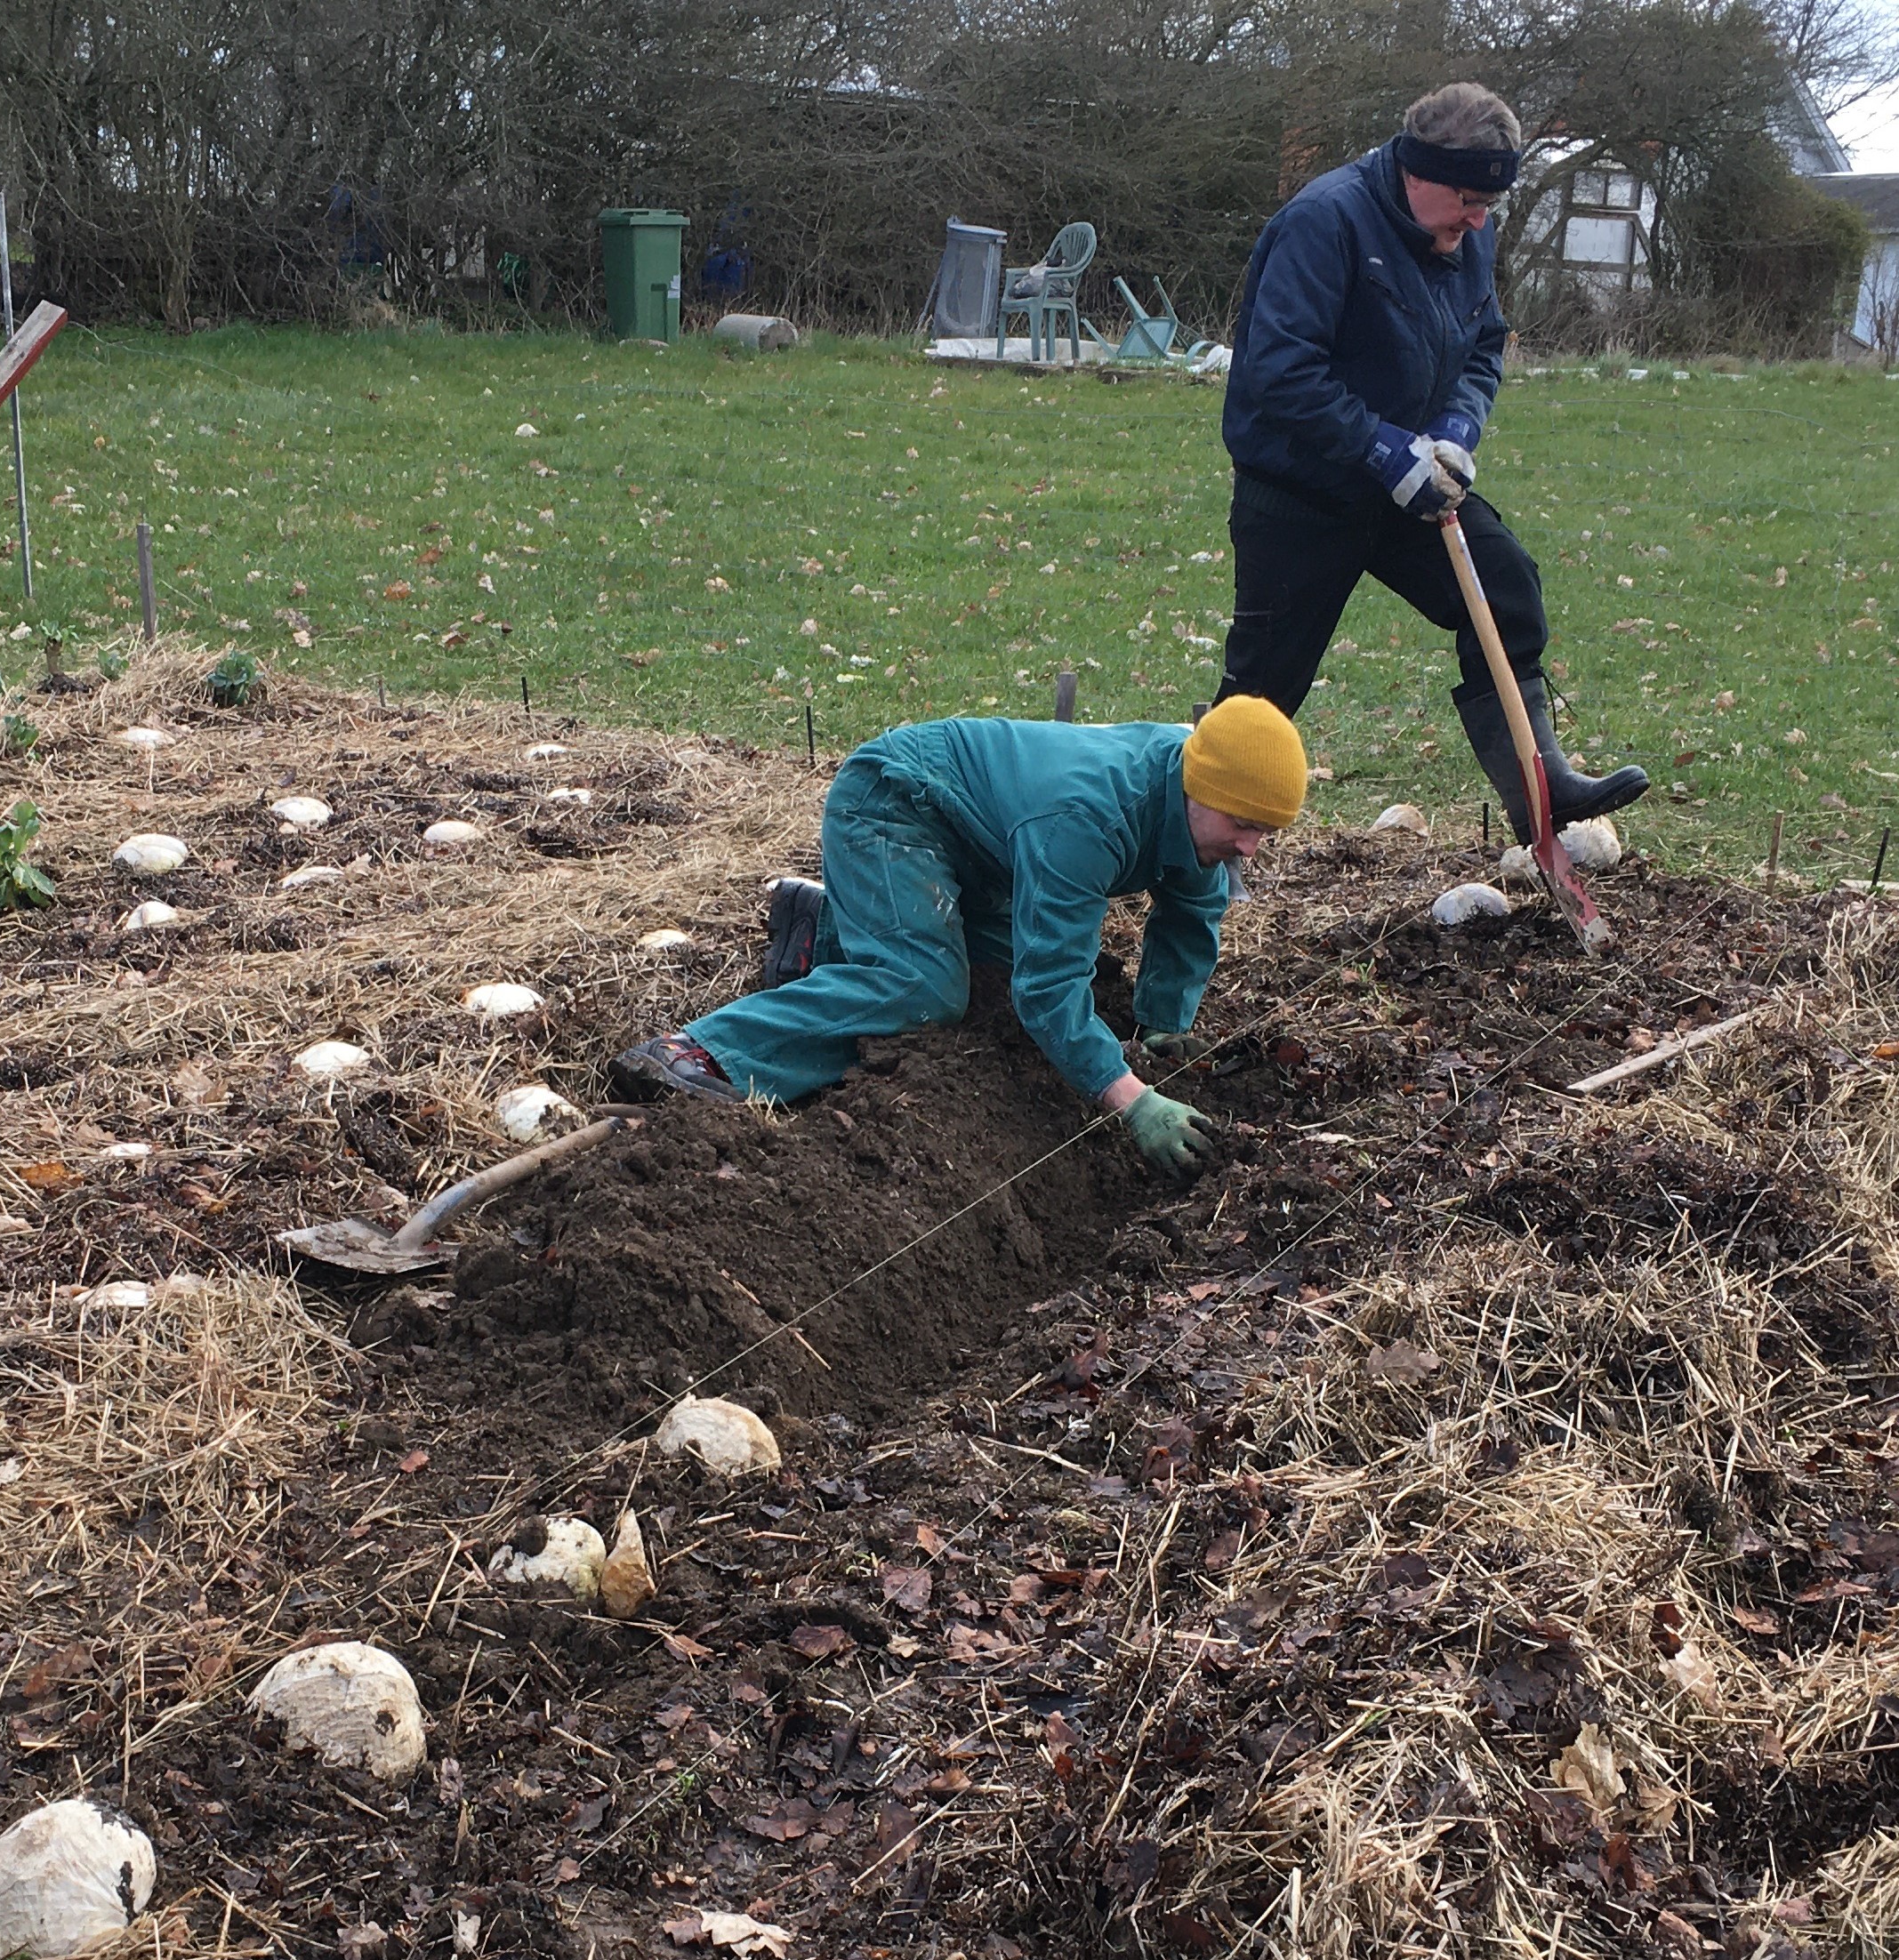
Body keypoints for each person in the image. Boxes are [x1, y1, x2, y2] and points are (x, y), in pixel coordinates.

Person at [608, 698, 1309, 1175]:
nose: (1249, 847)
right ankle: (700, 1049)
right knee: (922, 989)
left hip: (983, 851)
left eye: (1264, 832)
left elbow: (1190, 916)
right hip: (894, 803)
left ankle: (819, 934)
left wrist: (1164, 1027)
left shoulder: (1194, 807)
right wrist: (1131, 1098)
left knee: (985, 993)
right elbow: (1049, 987)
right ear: (1198, 785)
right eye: (1242, 825)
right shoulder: (1089, 817)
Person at [1216, 81, 1646, 840]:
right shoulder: (1324, 222)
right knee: (1261, 690)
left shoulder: (1465, 227)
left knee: (1504, 586)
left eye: (1488, 205)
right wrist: (1382, 448)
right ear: (1420, 172)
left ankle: (1539, 786)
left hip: (1415, 487)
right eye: (1468, 202)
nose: (1478, 222)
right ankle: (1203, 845)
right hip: (1300, 488)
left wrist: (1455, 428)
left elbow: (1484, 342)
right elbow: (1278, 371)